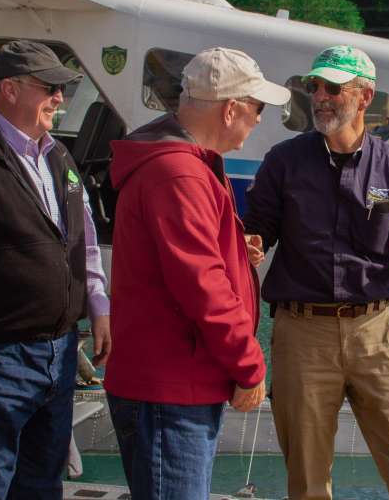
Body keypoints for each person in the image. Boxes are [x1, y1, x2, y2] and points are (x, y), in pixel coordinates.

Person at [243, 45, 389, 500]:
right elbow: (257, 232)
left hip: (379, 332)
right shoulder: (283, 162)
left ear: (364, 96)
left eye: (333, 88)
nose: (320, 97)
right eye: (315, 87)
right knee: (307, 473)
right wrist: (250, 245)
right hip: (301, 333)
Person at [103, 47, 289, 499]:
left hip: (169, 382)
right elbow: (201, 285)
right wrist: (249, 367)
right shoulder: (181, 174)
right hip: (171, 390)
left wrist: (230, 247)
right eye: (257, 108)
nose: (261, 120)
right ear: (231, 110)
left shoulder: (180, 164)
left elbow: (187, 262)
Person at [0, 40, 111, 500]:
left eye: (62, 88)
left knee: (41, 484)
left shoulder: (59, 156)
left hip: (60, 349)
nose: (59, 98)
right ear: (9, 90)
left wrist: (99, 305)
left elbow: (84, 240)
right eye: (49, 87)